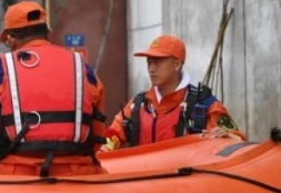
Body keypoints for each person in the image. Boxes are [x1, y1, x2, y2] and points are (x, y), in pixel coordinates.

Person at [0, 1, 107, 178]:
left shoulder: (0, 70)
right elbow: (97, 134)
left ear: (10, 39)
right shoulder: (82, 66)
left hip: (15, 170)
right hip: (77, 169)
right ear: (48, 34)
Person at [102, 35, 243, 150]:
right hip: (143, 181)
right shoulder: (137, 105)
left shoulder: (203, 103)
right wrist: (103, 147)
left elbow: (238, 139)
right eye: (149, 62)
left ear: (177, 64)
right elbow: (112, 135)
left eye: (158, 62)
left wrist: (227, 136)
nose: (151, 68)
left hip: (184, 182)